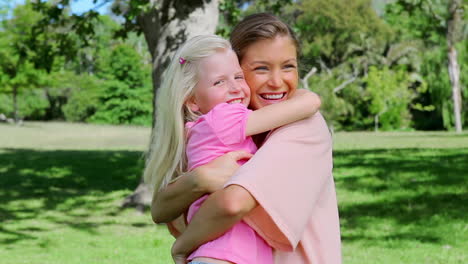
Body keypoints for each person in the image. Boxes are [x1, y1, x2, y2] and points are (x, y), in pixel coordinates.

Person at [150, 13, 342, 264]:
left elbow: (232, 202)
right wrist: (202, 178)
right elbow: (160, 210)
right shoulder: (225, 127)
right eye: (261, 68)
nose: (277, 82)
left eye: (288, 66)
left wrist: (183, 246)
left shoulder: (303, 125)